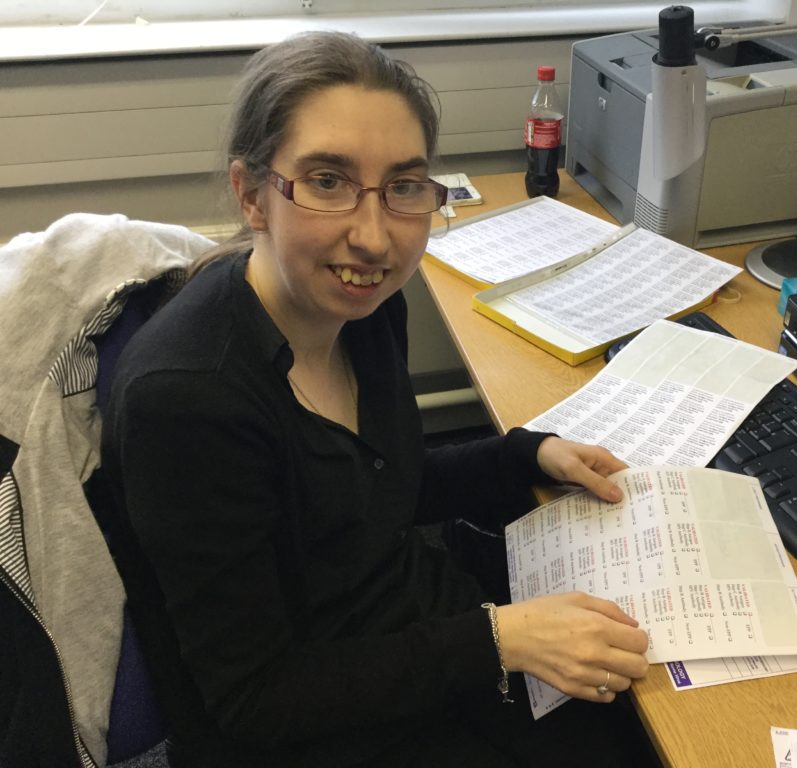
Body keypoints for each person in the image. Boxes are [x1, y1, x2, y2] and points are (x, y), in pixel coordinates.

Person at [100, 31, 652, 767]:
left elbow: (378, 485)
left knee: (647, 702)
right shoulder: (191, 402)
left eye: (404, 187)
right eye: (328, 181)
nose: (374, 236)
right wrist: (500, 641)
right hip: (314, 725)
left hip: (409, 636)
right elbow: (254, 699)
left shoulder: (359, 307)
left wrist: (527, 455)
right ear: (252, 194)